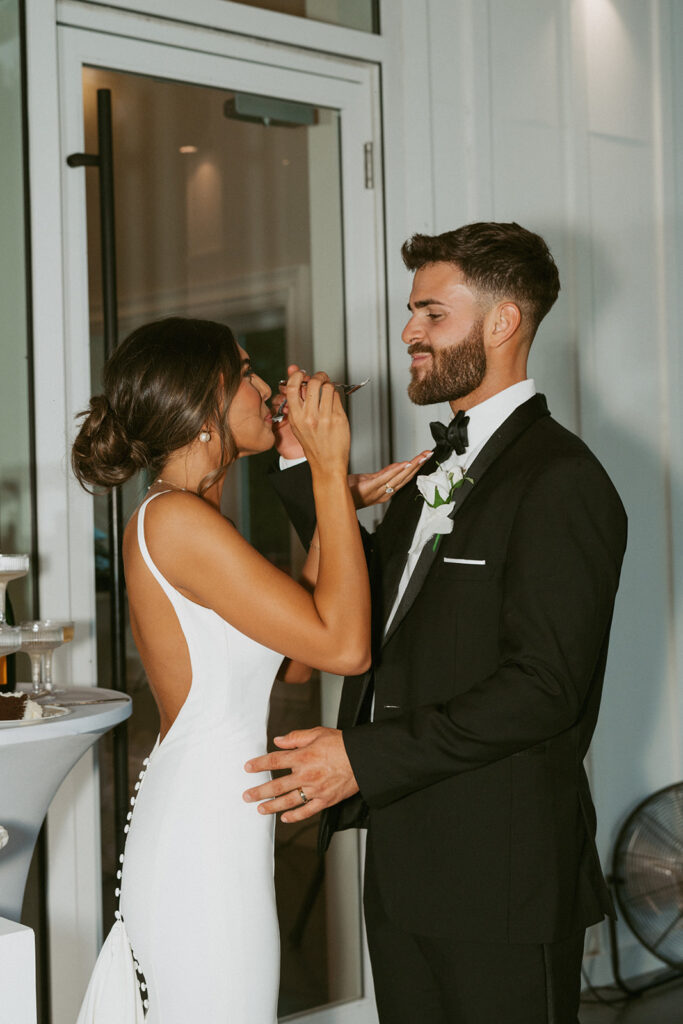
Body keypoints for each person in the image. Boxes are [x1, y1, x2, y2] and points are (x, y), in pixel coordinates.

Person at [244, 223, 628, 1024]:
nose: (408, 332)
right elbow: (368, 607)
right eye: (411, 313)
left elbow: (542, 690)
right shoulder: (427, 479)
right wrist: (301, 466)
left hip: (502, 881)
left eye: (432, 314)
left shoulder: (561, 481)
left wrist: (359, 756)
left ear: (502, 323)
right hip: (407, 866)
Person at [71, 317, 422, 1023]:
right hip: (202, 838)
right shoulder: (175, 521)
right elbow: (345, 647)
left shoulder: (187, 517)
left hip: (215, 821)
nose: (267, 386)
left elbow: (294, 661)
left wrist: (335, 507)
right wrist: (326, 470)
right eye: (245, 373)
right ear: (204, 406)